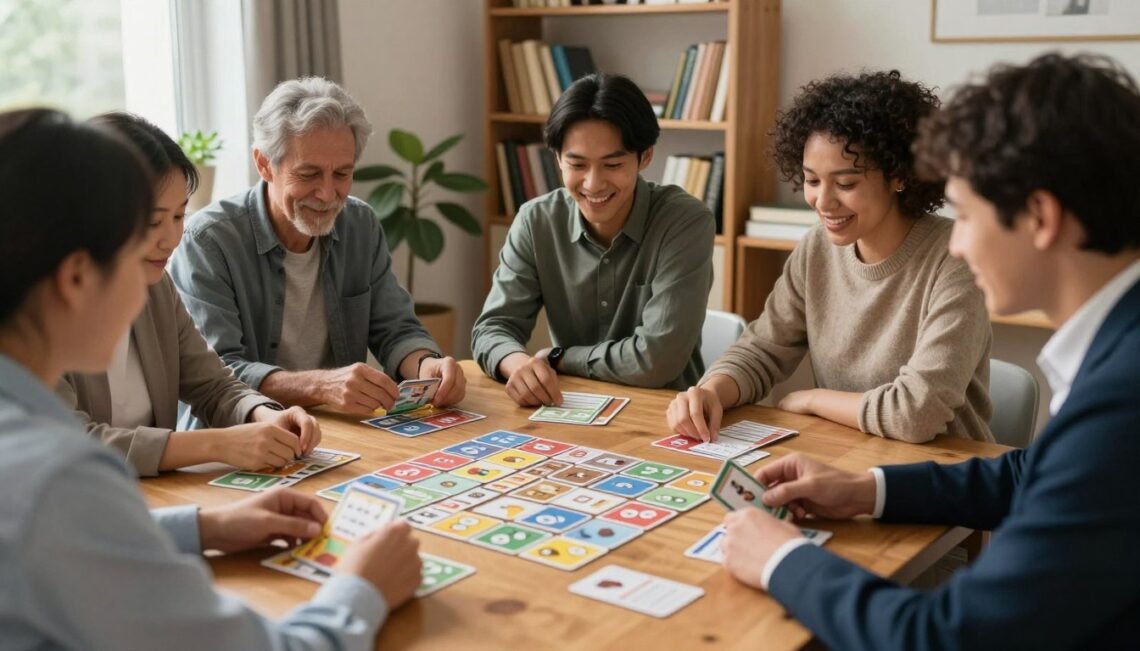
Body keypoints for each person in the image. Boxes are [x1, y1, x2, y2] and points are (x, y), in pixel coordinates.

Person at [720, 53, 1140, 649]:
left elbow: (945, 637)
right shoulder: (1117, 349)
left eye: (965, 214)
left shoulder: (1124, 398)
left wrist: (783, 561)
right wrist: (868, 489)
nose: (959, 243)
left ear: (1041, 217)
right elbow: (1036, 472)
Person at [0, 108, 422, 649]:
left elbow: (65, 543)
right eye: (136, 250)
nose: (157, 269)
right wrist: (362, 587)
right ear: (77, 277)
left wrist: (204, 527)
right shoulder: (62, 478)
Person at [667, 70, 993, 444]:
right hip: (846, 461)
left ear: (899, 176)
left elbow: (917, 414)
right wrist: (711, 391)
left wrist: (813, 399)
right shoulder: (817, 248)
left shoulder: (956, 258)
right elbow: (763, 349)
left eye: (845, 184)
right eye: (811, 180)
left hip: (943, 477)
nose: (823, 202)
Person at [169, 77, 465, 426]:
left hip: (337, 433)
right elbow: (217, 374)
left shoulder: (360, 224)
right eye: (309, 174)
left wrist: (425, 364)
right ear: (264, 164)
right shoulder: (208, 241)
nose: (327, 194)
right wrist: (321, 386)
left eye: (342, 173)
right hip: (236, 439)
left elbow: (396, 329)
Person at [57, 112, 321, 476]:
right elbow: (67, 442)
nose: (171, 238)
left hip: (152, 498)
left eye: (179, 217)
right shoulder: (37, 310)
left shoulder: (155, 287)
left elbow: (213, 385)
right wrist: (216, 444)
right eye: (153, 221)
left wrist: (264, 414)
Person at [471, 73, 715, 407]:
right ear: (557, 158)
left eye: (612, 164)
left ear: (645, 157)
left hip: (662, 415)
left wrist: (559, 358)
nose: (593, 183)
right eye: (577, 164)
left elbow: (657, 360)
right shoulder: (536, 221)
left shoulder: (684, 222)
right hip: (567, 409)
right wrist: (518, 365)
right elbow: (492, 329)